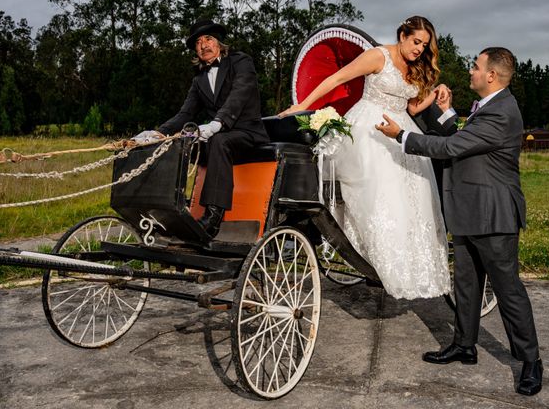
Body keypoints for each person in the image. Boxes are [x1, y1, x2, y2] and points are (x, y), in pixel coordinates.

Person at [376, 47, 543, 396]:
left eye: (476, 66)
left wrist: (401, 136)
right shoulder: (488, 108)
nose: (471, 71)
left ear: (492, 76)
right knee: (466, 286)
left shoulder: (502, 112)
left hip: (493, 215)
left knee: (508, 290)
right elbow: (463, 138)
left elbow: (452, 148)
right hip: (469, 212)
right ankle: (464, 345)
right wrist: (447, 110)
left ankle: (530, 361)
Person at [280, 16, 450, 299]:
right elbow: (337, 78)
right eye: (416, 41)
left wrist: (435, 93)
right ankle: (370, 257)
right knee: (378, 192)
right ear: (402, 35)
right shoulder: (377, 56)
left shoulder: (416, 68)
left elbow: (411, 108)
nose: (419, 49)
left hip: (400, 131)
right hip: (368, 129)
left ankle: (407, 268)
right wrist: (303, 105)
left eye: (424, 45)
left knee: (412, 198)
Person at [136, 19, 269, 238]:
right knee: (182, 145)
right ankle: (172, 210)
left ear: (219, 43)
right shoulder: (199, 80)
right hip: (220, 136)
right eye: (198, 42)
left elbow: (240, 94)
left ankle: (213, 217)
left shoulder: (241, 61)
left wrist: (218, 123)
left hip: (248, 133)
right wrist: (159, 133)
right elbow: (185, 114)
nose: (203, 45)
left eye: (208, 39)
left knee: (219, 141)